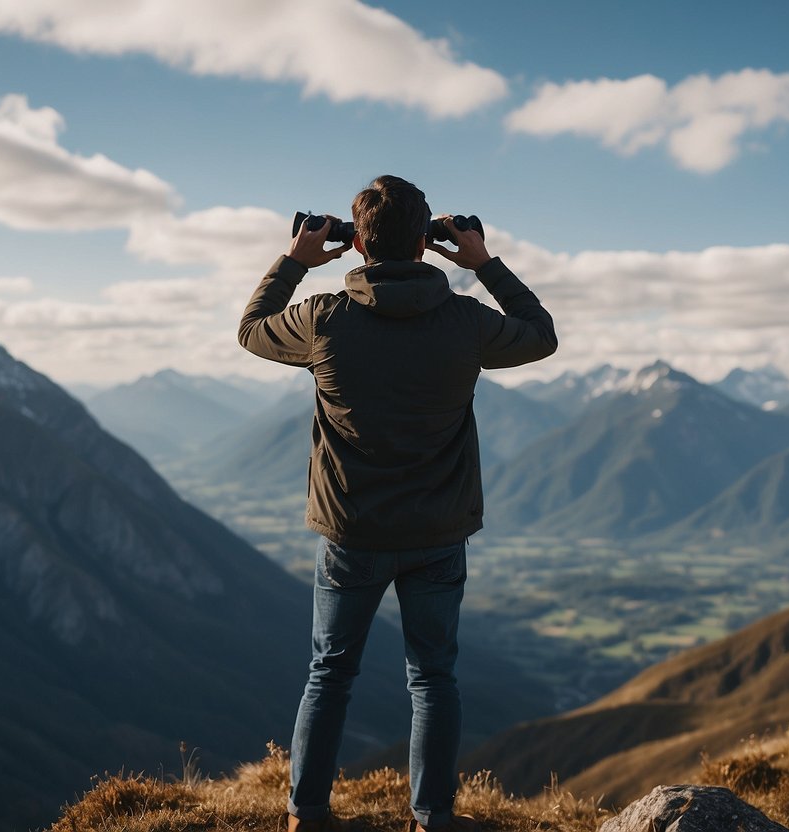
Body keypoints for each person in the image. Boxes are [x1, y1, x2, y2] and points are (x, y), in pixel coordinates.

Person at [237, 175, 557, 832]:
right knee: (433, 678)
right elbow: (539, 334)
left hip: (351, 533)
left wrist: (294, 261)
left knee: (329, 673)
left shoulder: (324, 318)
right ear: (425, 241)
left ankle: (306, 814)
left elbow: (250, 330)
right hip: (438, 533)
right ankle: (433, 817)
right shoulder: (465, 322)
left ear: (355, 243)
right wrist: (483, 263)